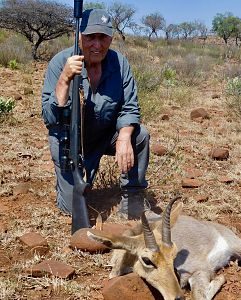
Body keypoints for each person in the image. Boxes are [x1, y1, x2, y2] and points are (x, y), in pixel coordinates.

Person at [41, 8, 160, 221]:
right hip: (69, 141)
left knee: (140, 136)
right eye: (90, 37)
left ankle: (133, 198)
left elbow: (130, 107)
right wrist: (65, 79)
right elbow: (50, 118)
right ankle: (68, 185)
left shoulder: (120, 63)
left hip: (105, 135)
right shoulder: (61, 62)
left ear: (111, 39)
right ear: (79, 37)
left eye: (103, 37)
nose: (97, 45)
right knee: (71, 209)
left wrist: (124, 137)